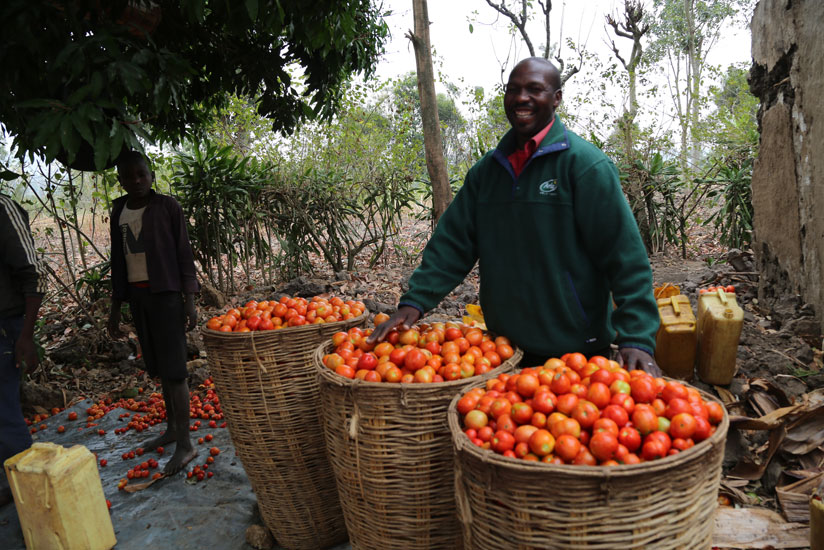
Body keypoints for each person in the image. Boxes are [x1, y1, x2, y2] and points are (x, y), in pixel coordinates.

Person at [368, 58, 662, 375]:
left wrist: (636, 337)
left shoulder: (585, 166)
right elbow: (453, 244)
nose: (521, 98)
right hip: (502, 351)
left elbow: (624, 256)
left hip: (578, 353)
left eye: (535, 89)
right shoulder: (487, 173)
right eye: (513, 90)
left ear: (557, 98)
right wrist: (415, 303)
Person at [107, 150, 200, 474]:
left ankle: (186, 445)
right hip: (138, 298)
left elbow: (183, 254)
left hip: (166, 297)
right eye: (128, 176)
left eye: (141, 175)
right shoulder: (119, 209)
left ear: (151, 175)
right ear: (119, 180)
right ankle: (173, 430)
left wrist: (189, 299)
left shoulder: (167, 207)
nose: (136, 181)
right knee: (159, 368)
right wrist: (116, 307)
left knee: (175, 372)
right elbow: (118, 261)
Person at [0, 193, 45, 506]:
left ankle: (32, 498)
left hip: (5, 325)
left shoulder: (2, 208)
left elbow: (33, 273)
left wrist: (25, 337)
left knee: (3, 411)